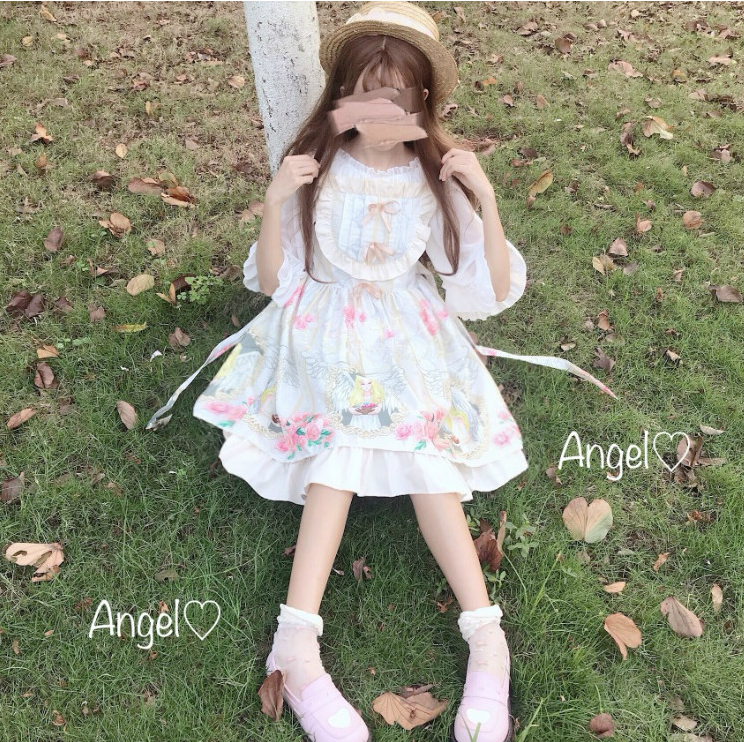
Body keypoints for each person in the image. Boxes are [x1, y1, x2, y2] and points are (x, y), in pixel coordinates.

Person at [145, 3, 617, 741]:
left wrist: (486, 199)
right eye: (367, 92)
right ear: (342, 93)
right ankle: (295, 642)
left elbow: (488, 288)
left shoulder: (433, 180)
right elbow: (271, 280)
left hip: (406, 332)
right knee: (335, 449)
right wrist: (274, 201)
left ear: (423, 100)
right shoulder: (318, 169)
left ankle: (486, 635)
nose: (382, 111)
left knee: (427, 455)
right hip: (323, 325)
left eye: (400, 95)